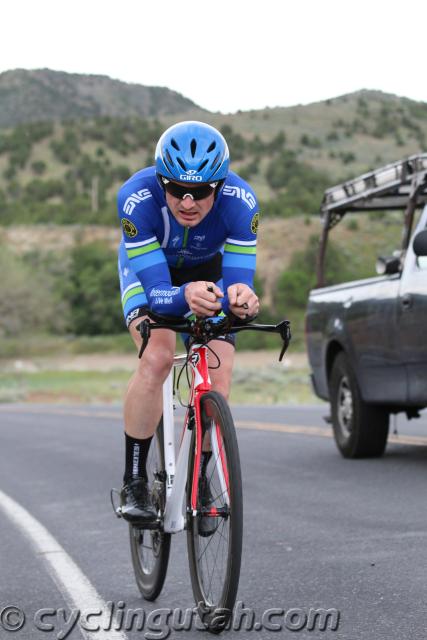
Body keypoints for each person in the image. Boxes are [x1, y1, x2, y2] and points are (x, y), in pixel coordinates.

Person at [117, 121, 260, 525]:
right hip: (151, 274)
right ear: (160, 180)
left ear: (219, 185)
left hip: (209, 271)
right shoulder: (135, 199)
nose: (188, 202)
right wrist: (184, 297)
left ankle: (202, 476)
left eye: (200, 191)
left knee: (219, 374)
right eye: (176, 188)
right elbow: (160, 290)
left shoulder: (242, 202)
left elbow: (236, 285)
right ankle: (134, 480)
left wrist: (242, 300)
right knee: (158, 358)